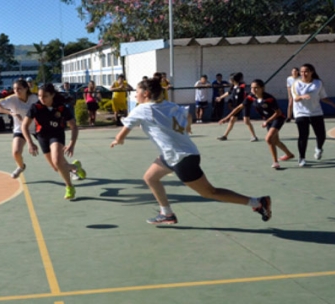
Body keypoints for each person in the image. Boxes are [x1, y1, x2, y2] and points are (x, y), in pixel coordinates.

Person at [110, 79, 271, 225]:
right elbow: (187, 114)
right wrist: (187, 126)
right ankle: (167, 213)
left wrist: (118, 139)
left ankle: (257, 202)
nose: (135, 94)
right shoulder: (169, 105)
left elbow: (124, 131)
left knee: (210, 192)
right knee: (150, 178)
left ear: (145, 93)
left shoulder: (142, 109)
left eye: (137, 91)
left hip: (181, 158)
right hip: (176, 154)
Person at [21, 83, 87, 200]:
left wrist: (71, 144)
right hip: (42, 137)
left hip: (56, 135)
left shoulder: (61, 108)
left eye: (45, 96)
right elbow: (24, 126)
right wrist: (30, 143)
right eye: (40, 96)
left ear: (52, 95)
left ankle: (69, 187)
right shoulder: (35, 107)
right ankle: (75, 166)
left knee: (57, 161)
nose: (42, 99)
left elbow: (74, 127)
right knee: (57, 167)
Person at [221, 79, 294, 169]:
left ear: (262, 88)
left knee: (268, 139)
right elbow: (239, 107)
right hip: (268, 120)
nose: (253, 90)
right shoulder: (251, 97)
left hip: (277, 118)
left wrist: (267, 121)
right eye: (252, 88)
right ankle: (289, 154)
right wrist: (227, 117)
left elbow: (278, 113)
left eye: (256, 88)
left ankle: (275, 162)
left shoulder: (269, 98)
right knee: (275, 141)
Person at [291, 63, 335, 167]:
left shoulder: (318, 83)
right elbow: (295, 98)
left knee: (321, 135)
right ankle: (302, 158)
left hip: (316, 112)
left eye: (306, 71)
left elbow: (323, 97)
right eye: (301, 72)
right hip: (301, 113)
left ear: (311, 72)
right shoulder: (296, 84)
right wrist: (302, 97)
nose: (303, 73)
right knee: (303, 136)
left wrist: (334, 105)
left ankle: (318, 148)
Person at [0, 79, 39, 178]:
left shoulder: (34, 98)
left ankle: (70, 169)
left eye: (19, 89)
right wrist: (10, 113)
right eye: (14, 89)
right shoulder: (12, 99)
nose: (16, 91)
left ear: (26, 88)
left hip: (37, 127)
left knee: (52, 152)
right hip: (20, 128)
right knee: (16, 152)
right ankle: (21, 166)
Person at [216, 72, 258, 142]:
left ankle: (254, 136)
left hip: (244, 105)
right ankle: (225, 136)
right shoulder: (233, 86)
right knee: (232, 120)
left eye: (230, 79)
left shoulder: (242, 86)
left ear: (233, 79)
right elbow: (228, 93)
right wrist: (220, 97)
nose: (229, 80)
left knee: (246, 121)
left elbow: (250, 93)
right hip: (237, 106)